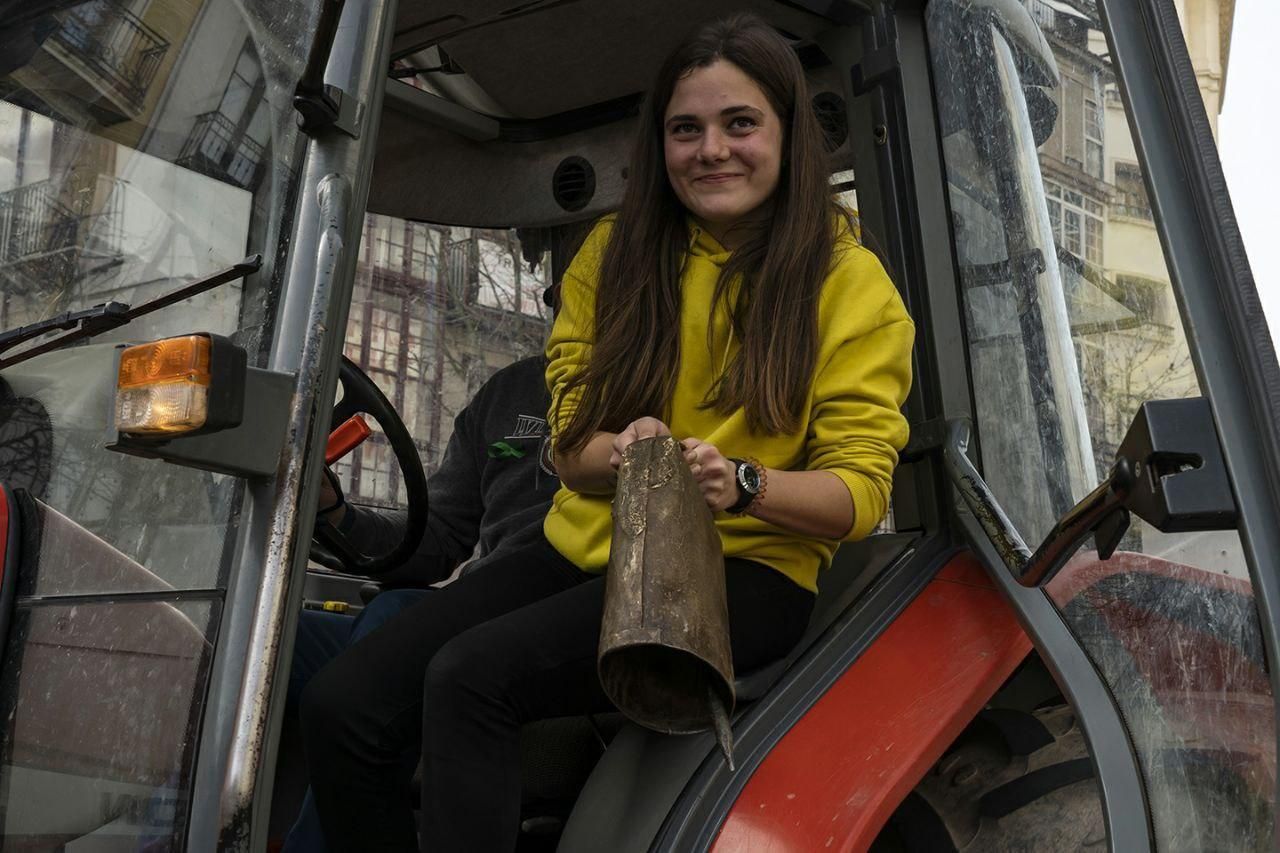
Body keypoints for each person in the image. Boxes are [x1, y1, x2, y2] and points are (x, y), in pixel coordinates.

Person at [299, 13, 914, 852]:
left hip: (747, 570)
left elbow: (857, 495)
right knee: (344, 701)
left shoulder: (850, 283)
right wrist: (623, 455)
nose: (712, 150)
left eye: (741, 124)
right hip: (587, 547)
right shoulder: (613, 256)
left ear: (787, 135)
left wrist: (741, 481)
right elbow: (569, 449)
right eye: (685, 129)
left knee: (469, 678)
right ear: (659, 144)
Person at [283, 352, 560, 852]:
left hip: (546, 614)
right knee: (268, 642)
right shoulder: (510, 390)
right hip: (471, 603)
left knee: (392, 615)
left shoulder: (656, 383)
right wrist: (337, 514)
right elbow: (435, 537)